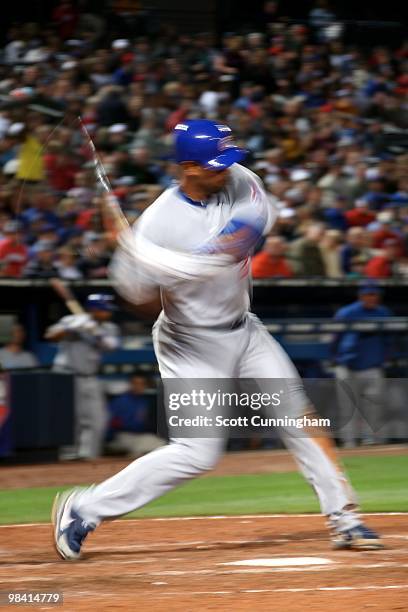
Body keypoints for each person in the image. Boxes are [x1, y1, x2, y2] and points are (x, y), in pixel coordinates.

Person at [52, 119, 382, 561]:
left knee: (300, 418)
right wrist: (137, 260)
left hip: (244, 329)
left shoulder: (244, 185)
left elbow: (222, 255)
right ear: (188, 167)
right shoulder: (158, 223)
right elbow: (139, 298)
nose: (226, 169)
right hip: (188, 344)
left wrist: (148, 255)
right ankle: (82, 509)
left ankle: (344, 519)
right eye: (214, 164)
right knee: (197, 453)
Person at [45, 294, 120, 460]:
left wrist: (95, 333)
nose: (108, 314)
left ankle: (90, 457)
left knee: (99, 419)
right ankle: (68, 456)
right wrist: (71, 329)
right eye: (104, 310)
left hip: (91, 377)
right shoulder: (71, 320)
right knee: (72, 419)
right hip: (68, 375)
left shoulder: (108, 328)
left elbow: (112, 346)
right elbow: (50, 336)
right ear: (94, 310)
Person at [333, 282, 393, 447]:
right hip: (347, 366)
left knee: (374, 407)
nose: (372, 298)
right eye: (368, 294)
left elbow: (388, 341)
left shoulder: (383, 313)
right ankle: (349, 441)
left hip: (373, 367)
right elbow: (334, 338)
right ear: (361, 296)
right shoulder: (347, 312)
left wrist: (385, 358)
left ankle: (372, 440)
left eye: (374, 294)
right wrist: (336, 359)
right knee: (347, 407)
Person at [107, 375, 165, 457]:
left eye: (141, 384)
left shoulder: (147, 400)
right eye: (135, 383)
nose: (138, 386)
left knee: (161, 444)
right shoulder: (120, 400)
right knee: (142, 446)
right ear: (130, 384)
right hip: (123, 435)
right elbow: (110, 424)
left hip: (143, 436)